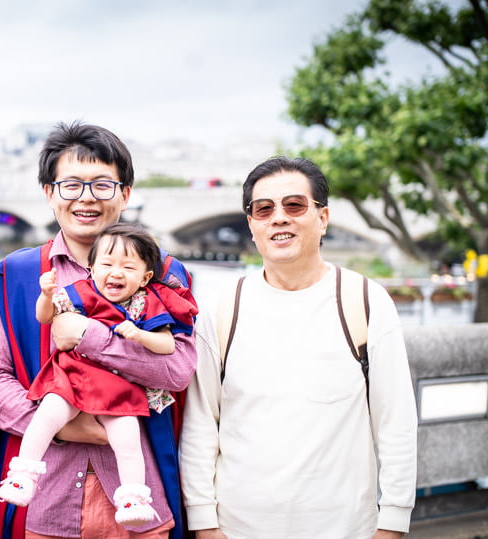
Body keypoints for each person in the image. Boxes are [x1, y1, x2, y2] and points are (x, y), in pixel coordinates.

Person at [0, 121, 197, 538]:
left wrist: (90, 337)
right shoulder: (18, 275)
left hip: (138, 497)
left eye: (102, 185)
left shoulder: (165, 274)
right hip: (41, 498)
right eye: (71, 185)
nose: (86, 198)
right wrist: (59, 425)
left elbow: (178, 370)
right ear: (49, 192)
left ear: (126, 194)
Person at [179, 156, 417, 538]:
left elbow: (396, 422)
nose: (279, 218)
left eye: (295, 205)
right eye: (264, 209)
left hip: (345, 528)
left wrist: (392, 522)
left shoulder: (365, 300)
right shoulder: (223, 306)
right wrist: (204, 523)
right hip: (238, 528)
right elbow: (201, 422)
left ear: (322, 218)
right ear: (252, 225)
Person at [0, 223, 197, 528]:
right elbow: (44, 316)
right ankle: (23, 474)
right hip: (74, 379)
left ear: (144, 277)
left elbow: (169, 346)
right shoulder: (79, 291)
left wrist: (140, 337)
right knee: (47, 415)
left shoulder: (148, 303)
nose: (116, 272)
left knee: (128, 439)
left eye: (128, 267)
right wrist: (47, 295)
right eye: (106, 264)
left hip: (118, 389)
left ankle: (133, 499)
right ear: (91, 267)